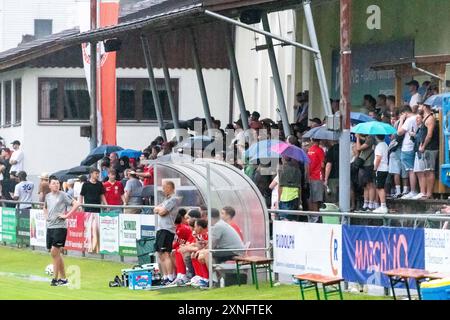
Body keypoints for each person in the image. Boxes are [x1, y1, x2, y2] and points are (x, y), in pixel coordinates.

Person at [44, 176, 81, 286]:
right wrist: (46, 217)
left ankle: (55, 280)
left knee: (54, 253)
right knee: (56, 254)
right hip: (50, 227)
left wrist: (67, 215)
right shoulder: (48, 196)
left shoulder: (63, 195)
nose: (56, 185)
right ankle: (64, 279)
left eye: (57, 183)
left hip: (60, 227)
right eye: (54, 183)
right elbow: (45, 207)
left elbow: (77, 204)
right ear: (49, 185)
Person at [153, 181, 180, 285]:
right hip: (161, 229)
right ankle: (164, 276)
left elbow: (162, 212)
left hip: (167, 229)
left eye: (164, 188)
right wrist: (159, 209)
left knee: (166, 253)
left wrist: (159, 209)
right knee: (160, 254)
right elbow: (156, 209)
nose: (163, 190)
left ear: (170, 188)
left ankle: (170, 276)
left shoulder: (173, 199)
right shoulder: (166, 199)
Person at [398, 105, 419, 199]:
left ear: (404, 113)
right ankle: (414, 190)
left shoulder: (409, 120)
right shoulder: (417, 117)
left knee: (411, 170)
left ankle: (413, 191)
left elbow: (399, 132)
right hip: (414, 146)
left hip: (408, 147)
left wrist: (401, 120)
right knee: (414, 169)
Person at [420, 103, 439, 199]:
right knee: (426, 171)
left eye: (420, 106)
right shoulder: (425, 118)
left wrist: (423, 145)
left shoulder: (430, 119)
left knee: (430, 171)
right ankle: (426, 192)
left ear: (424, 106)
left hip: (430, 148)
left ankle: (429, 193)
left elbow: (429, 135)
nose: (419, 108)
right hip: (425, 148)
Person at [355, 134, 376, 211]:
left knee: (370, 185)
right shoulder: (367, 137)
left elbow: (358, 148)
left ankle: (370, 204)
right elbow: (363, 138)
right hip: (363, 164)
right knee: (365, 186)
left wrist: (357, 138)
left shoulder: (371, 138)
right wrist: (360, 137)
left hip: (369, 164)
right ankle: (365, 203)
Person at [308, 138, 325, 220]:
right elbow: (322, 164)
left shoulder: (309, 150)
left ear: (312, 141)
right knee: (317, 199)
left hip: (310, 176)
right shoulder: (320, 150)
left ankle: (312, 216)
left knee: (311, 198)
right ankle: (316, 217)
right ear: (319, 141)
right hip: (318, 176)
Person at [373, 135, 389, 213]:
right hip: (385, 168)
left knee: (380, 187)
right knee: (380, 187)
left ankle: (383, 206)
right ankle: (382, 205)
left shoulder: (379, 146)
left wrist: (375, 168)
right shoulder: (385, 144)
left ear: (376, 137)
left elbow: (378, 158)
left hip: (380, 169)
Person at [324, 141, 339, 205]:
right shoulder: (344, 148)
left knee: (332, 199)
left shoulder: (331, 150)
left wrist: (326, 179)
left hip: (333, 177)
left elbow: (329, 165)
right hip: (344, 177)